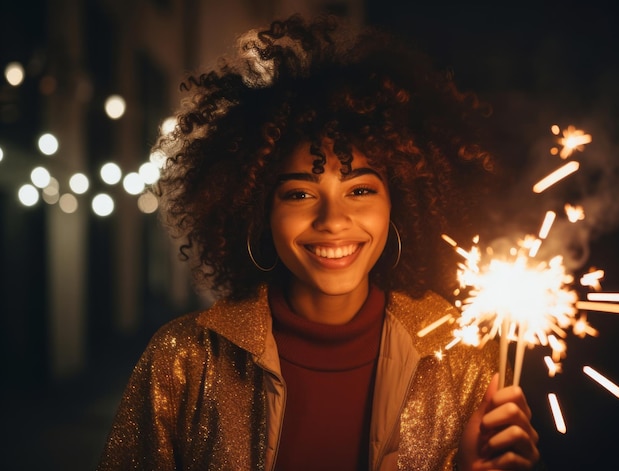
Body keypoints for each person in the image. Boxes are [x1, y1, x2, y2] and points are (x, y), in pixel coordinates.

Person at [97, 14, 540, 471]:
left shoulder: (459, 356)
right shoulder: (185, 359)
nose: (333, 221)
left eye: (361, 190)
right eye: (300, 194)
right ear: (259, 211)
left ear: (398, 204)